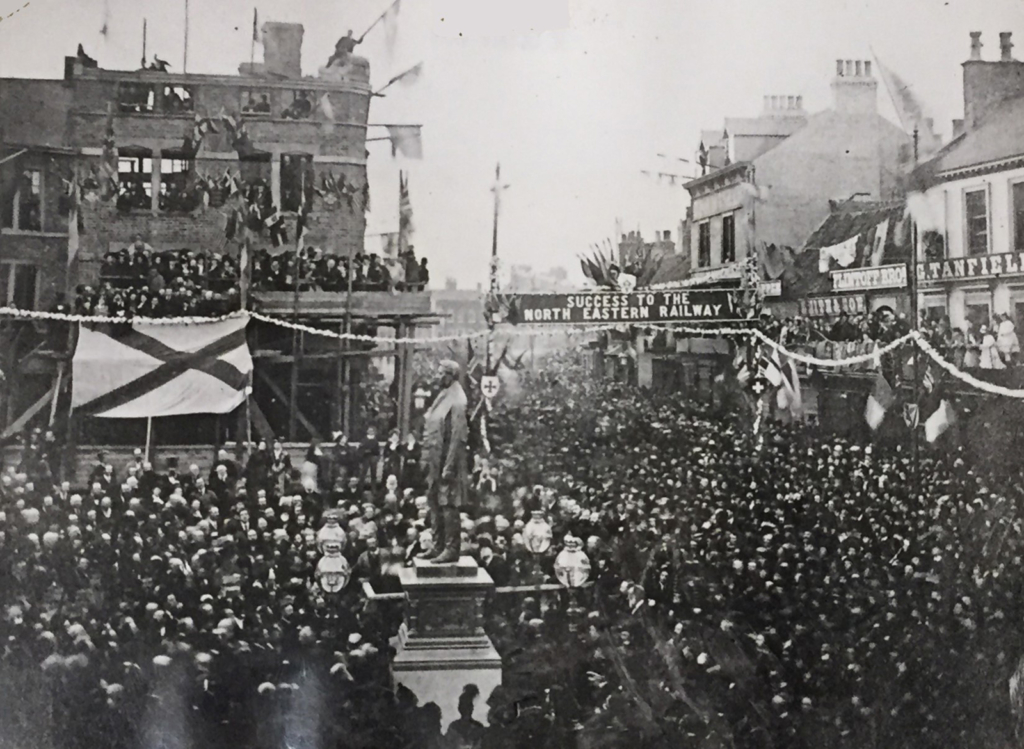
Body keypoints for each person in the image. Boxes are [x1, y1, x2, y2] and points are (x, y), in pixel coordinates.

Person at [419, 360, 469, 563]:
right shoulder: (443, 396)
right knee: (434, 502)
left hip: (449, 462)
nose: (437, 376)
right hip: (435, 460)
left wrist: (449, 467)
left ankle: (451, 548)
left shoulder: (458, 399)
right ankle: (438, 545)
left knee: (448, 504)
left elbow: (457, 436)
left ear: (450, 375)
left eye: (440, 373)